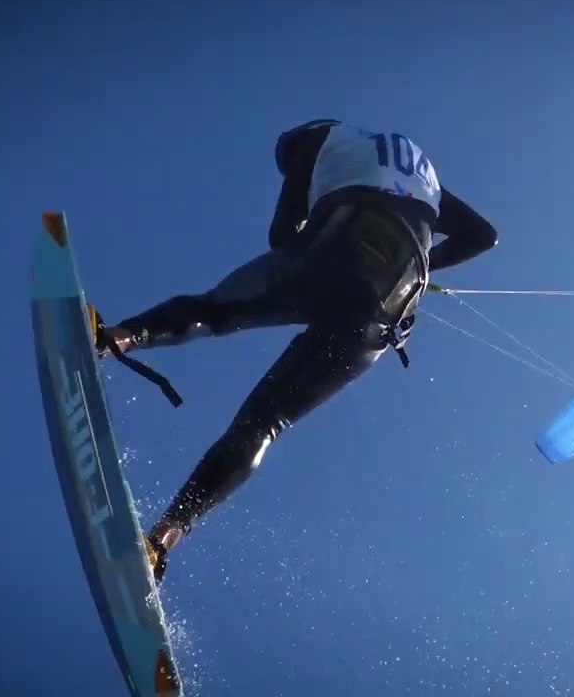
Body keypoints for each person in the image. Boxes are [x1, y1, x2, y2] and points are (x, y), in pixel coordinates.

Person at [94, 119, 498, 583]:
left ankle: (113, 337)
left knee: (213, 310)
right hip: (394, 296)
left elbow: (282, 237)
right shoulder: (420, 175)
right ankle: (161, 541)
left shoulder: (317, 141)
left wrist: (303, 225)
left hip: (339, 242)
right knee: (264, 423)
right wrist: (428, 268)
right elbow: (482, 235)